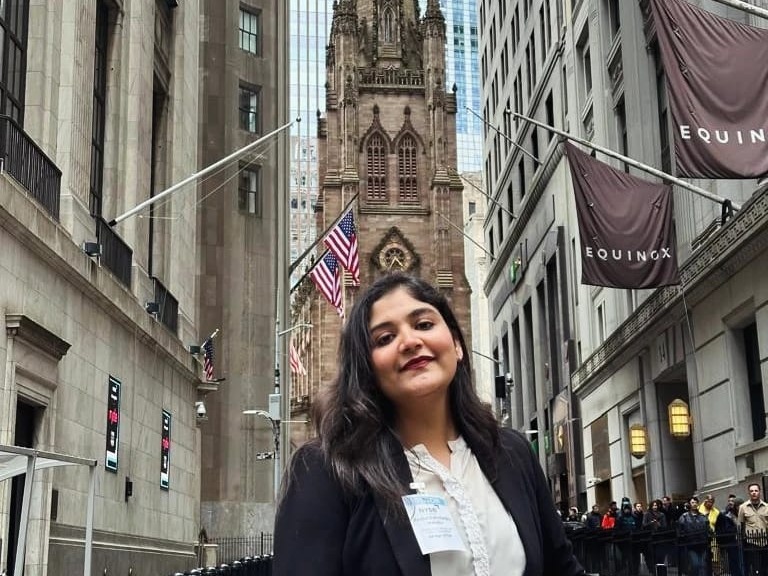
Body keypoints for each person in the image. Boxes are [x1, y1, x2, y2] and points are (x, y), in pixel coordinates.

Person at [273, 273, 585, 576]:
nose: (409, 341)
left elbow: (562, 568)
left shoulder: (511, 452)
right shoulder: (327, 470)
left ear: (457, 344)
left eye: (424, 324)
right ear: (367, 369)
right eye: (385, 338)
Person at [738, 483, 768, 576]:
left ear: (760, 492)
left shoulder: (767, 506)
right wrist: (744, 539)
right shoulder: (743, 507)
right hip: (752, 543)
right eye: (751, 491)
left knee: (766, 568)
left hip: (765, 541)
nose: (754, 493)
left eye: (756, 490)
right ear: (749, 493)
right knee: (756, 569)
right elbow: (741, 524)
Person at [677, 496, 709, 576]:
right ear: (689, 504)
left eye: (696, 502)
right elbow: (680, 530)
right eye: (692, 502)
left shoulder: (703, 516)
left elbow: (707, 529)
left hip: (702, 544)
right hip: (691, 545)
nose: (694, 504)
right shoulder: (684, 517)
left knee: (703, 565)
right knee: (695, 565)